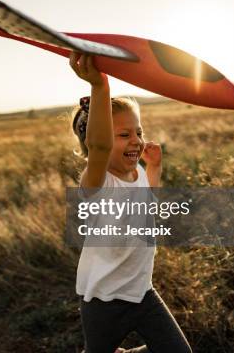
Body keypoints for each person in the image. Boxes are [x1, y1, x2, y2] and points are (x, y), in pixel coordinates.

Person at [69, 52, 191, 353]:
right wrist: (100, 87)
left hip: (142, 293)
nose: (136, 140)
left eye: (139, 131)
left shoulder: (136, 173)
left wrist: (154, 169)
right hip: (103, 301)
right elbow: (100, 146)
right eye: (124, 134)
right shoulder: (96, 183)